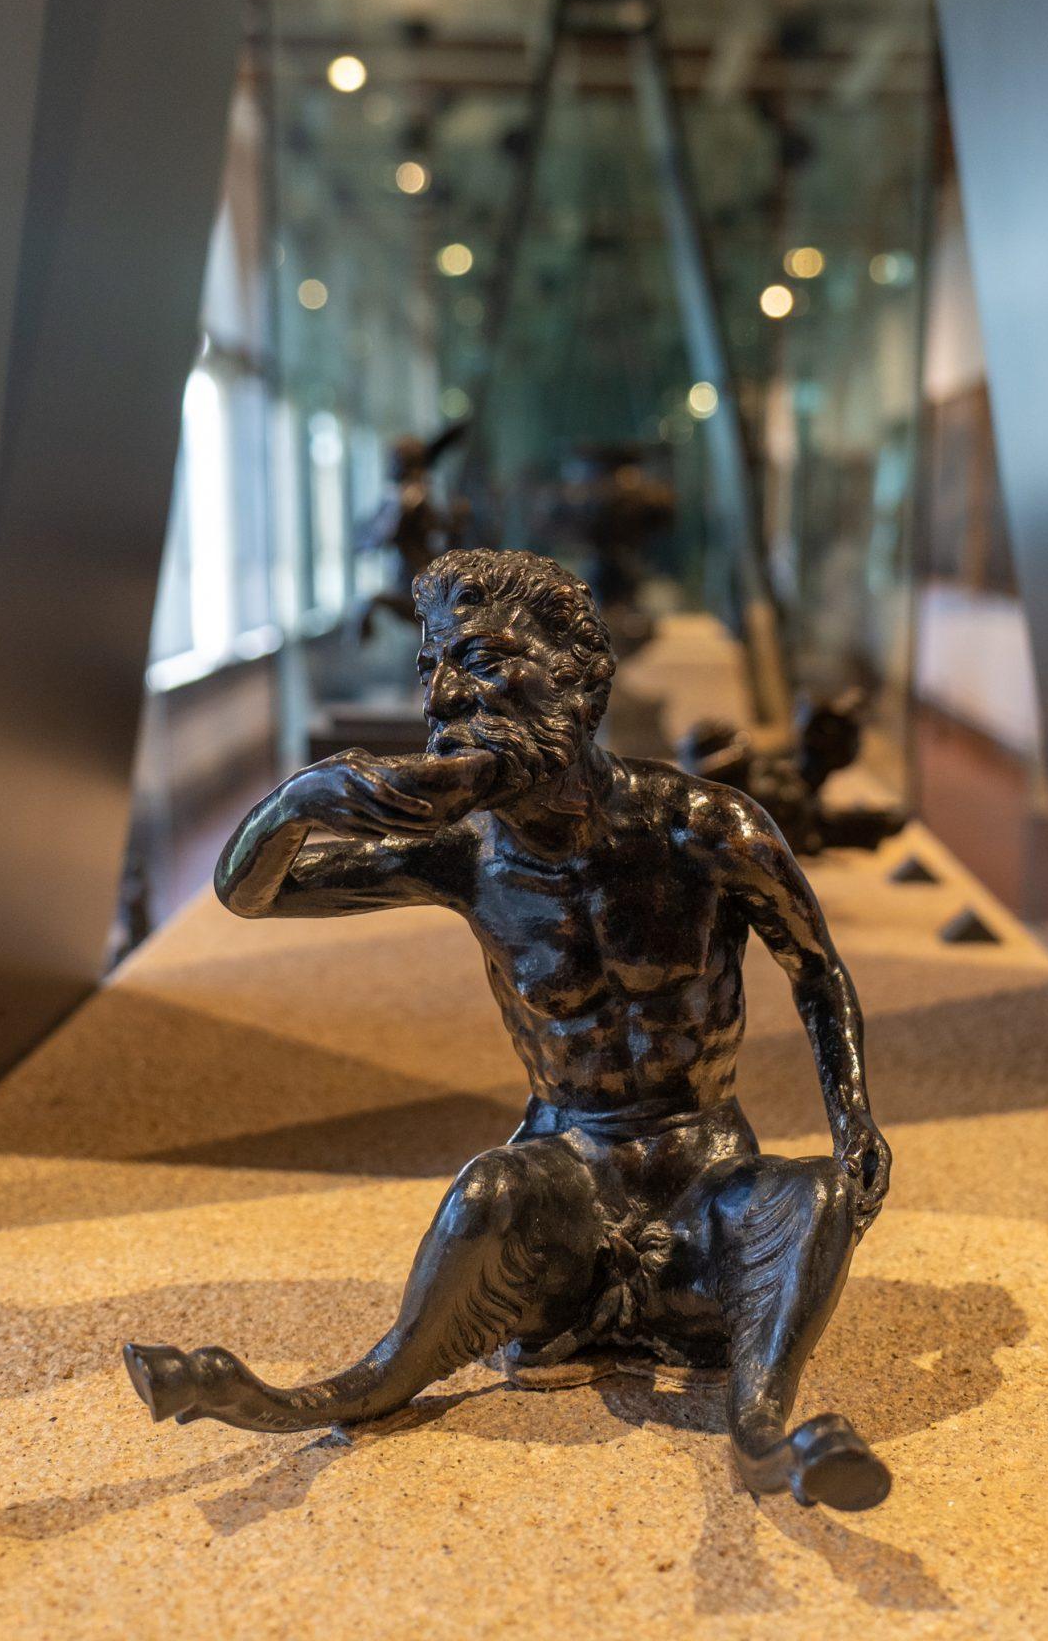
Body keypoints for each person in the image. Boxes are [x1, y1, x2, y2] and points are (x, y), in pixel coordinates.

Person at [125, 548, 892, 1511]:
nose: (444, 697)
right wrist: (301, 798)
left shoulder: (703, 826)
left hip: (707, 1174)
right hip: (565, 1174)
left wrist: (852, 1117)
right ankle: (325, 1393)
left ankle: (767, 1432)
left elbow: (815, 970)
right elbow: (251, 892)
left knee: (813, 1195)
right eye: (431, 668)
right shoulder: (463, 853)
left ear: (576, 678)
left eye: (482, 661)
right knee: (487, 1192)